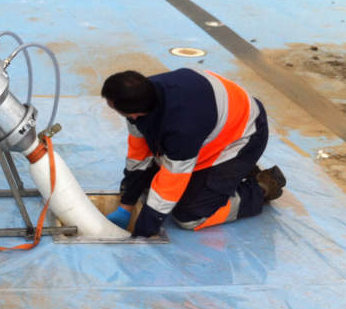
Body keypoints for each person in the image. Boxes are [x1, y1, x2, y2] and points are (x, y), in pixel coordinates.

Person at [101, 68, 286, 238]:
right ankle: (236, 173)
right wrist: (126, 205)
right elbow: (138, 156)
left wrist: (144, 230)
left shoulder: (183, 127)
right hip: (212, 133)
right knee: (149, 190)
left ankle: (258, 188)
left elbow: (173, 179)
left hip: (243, 138)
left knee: (189, 216)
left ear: (134, 113)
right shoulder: (142, 94)